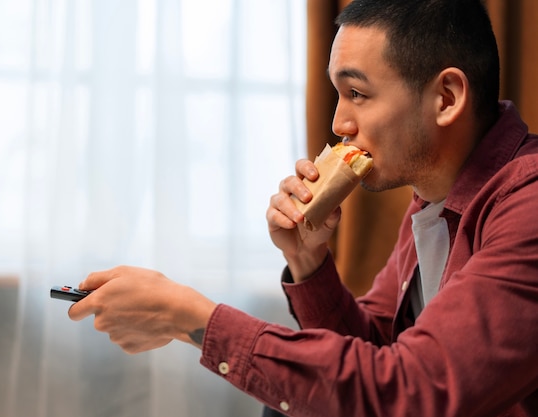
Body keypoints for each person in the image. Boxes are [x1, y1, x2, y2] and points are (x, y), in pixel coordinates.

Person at [68, 0, 538, 415]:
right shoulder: (433, 202)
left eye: (357, 94)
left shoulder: (528, 205)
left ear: (446, 97)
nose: (338, 122)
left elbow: (411, 392)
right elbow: (368, 354)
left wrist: (189, 317)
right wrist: (308, 260)